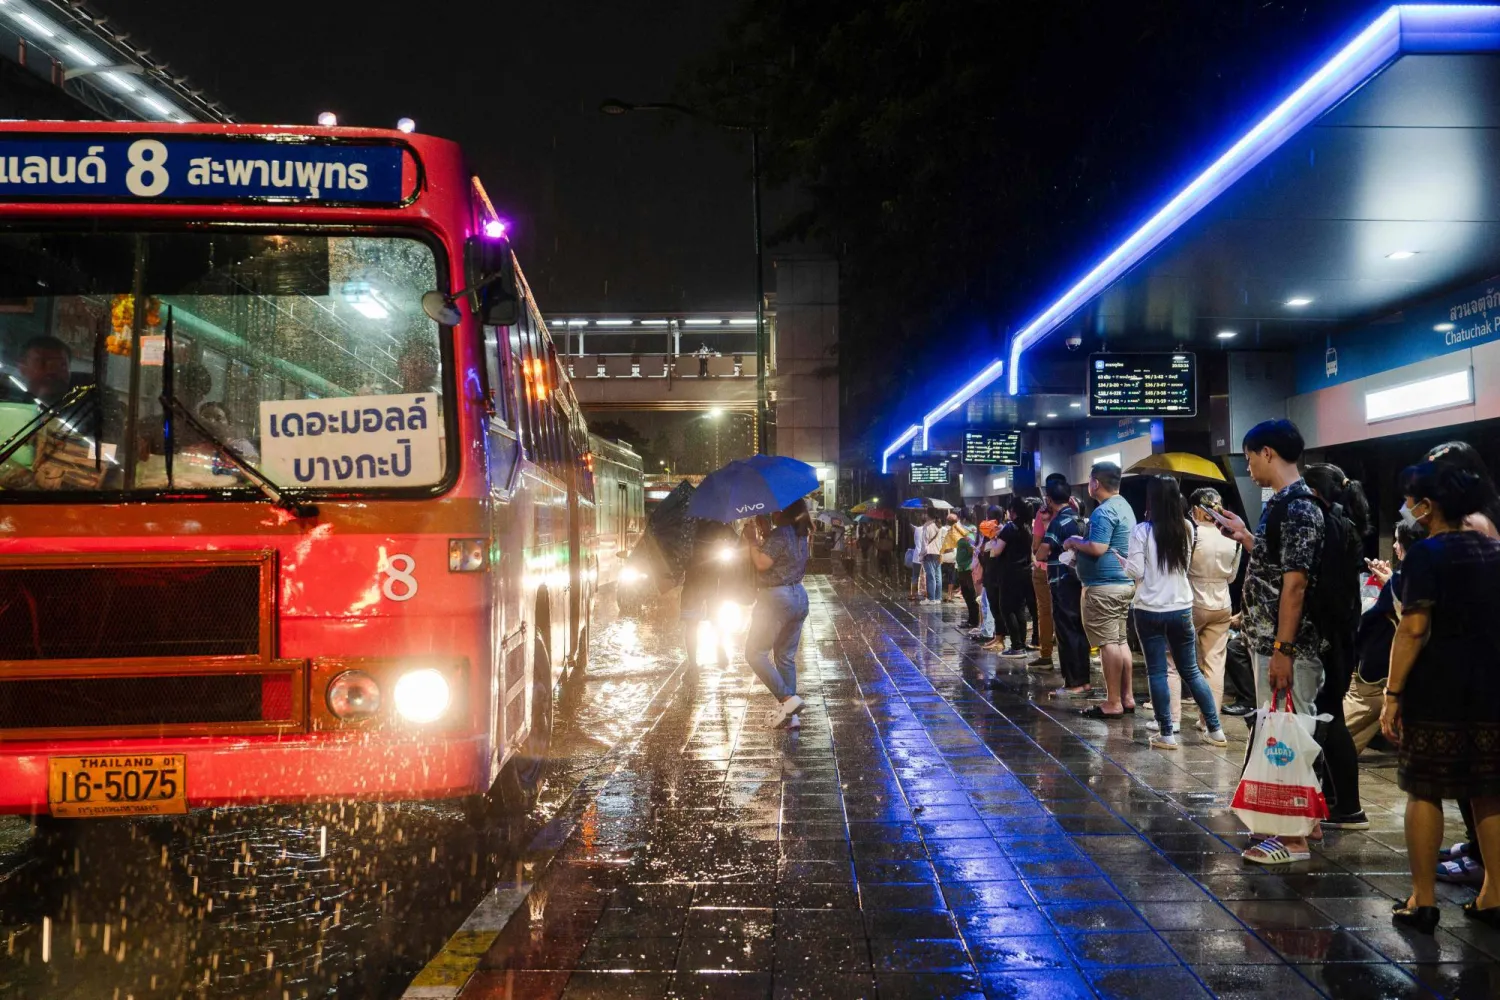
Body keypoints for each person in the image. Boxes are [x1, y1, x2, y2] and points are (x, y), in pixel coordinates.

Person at [1381, 459, 1500, 934]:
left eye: (1412, 500)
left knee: (1425, 789)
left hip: (1438, 688)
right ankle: (1493, 895)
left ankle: (1423, 900)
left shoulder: (1426, 555)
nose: (1408, 508)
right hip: (1492, 685)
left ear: (1428, 506)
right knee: (1489, 789)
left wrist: (1392, 694)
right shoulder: (1494, 551)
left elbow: (1413, 629)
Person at [1213, 419, 1324, 865]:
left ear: (1268, 453)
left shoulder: (1298, 507)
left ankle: (1292, 839)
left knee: (1287, 736)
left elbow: (1295, 586)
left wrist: (1282, 649)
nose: (1250, 466)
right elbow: (1281, 566)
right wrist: (1245, 536)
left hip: (1286, 648)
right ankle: (1304, 824)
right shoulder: (1283, 505)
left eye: (1250, 456)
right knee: (1287, 731)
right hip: (1271, 642)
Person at [1421, 440, 1500, 890]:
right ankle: (1478, 850)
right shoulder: (1484, 515)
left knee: (1478, 772)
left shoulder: (1472, 523)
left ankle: (1486, 866)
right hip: (1480, 656)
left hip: (1473, 660)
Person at [1120, 475, 1228, 750]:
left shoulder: (1142, 531)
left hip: (1149, 610)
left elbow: (1137, 572)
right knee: (1191, 670)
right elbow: (1186, 565)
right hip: (1181, 607)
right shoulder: (1188, 529)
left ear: (1151, 499)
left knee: (1157, 672)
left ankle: (1167, 733)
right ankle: (1215, 729)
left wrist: (1124, 561)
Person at [1303, 462, 1374, 829]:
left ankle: (1348, 807)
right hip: (1343, 634)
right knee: (1333, 716)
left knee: (1331, 717)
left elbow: (1324, 589)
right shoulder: (1344, 524)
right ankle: (1337, 800)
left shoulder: (1329, 526)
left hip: (1331, 636)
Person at [1063, 461, 1137, 718]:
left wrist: (1074, 541)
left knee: (1108, 644)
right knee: (1120, 641)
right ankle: (1127, 697)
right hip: (1123, 584)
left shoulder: (1103, 512)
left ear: (1095, 482)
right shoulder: (1125, 506)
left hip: (1104, 587)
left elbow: (1097, 547)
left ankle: (1113, 702)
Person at [1347, 521, 1424, 754]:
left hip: (1377, 675)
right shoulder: (1411, 575)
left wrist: (1391, 583)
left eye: (1398, 541)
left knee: (1335, 732)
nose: (1394, 546)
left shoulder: (1408, 579)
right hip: (1387, 672)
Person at [745, 499, 812, 730]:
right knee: (785, 657)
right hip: (798, 596)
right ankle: (791, 717)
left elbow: (762, 563)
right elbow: (785, 557)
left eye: (775, 508)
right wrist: (766, 533)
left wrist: (753, 542)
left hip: (776, 598)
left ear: (785, 511)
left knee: (755, 653)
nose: (771, 511)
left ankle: (788, 699)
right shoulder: (801, 533)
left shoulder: (782, 533)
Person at [1187, 487, 1243, 730]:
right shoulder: (1232, 536)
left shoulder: (1193, 533)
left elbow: (1183, 567)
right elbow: (1232, 577)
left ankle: (1172, 716)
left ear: (1198, 509)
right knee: (1215, 663)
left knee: (1179, 661)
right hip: (1222, 603)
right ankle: (1210, 720)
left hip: (1192, 600)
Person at [1038, 475, 1090, 696]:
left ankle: (1074, 683)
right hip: (1080, 581)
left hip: (1062, 583)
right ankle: (1083, 680)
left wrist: (1044, 523)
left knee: (1066, 632)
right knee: (1079, 630)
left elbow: (1042, 551)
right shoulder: (1081, 520)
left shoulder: (1058, 523)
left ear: (1049, 500)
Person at [681, 520, 738, 669]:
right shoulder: (718, 523)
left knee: (711, 620)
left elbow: (734, 543)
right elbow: (735, 542)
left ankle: (701, 658)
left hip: (704, 583)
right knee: (698, 622)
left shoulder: (690, 523)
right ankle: (694, 660)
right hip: (700, 583)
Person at [991, 496, 1034, 657]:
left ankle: (1016, 646)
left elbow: (996, 550)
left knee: (1007, 608)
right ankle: (1021, 644)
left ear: (1013, 511)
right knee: (1019, 609)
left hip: (1009, 573)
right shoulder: (1027, 527)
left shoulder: (1010, 528)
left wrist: (994, 538)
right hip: (1024, 572)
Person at [1030, 495, 1057, 668]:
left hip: (1044, 568)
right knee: (1067, 612)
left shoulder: (1043, 513)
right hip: (1068, 568)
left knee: (1045, 612)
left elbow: (1036, 546)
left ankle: (1046, 655)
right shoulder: (1073, 509)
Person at [979, 509, 1008, 650]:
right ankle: (997, 636)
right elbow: (983, 549)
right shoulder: (987, 530)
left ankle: (1000, 638)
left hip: (996, 575)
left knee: (997, 607)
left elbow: (995, 551)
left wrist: (992, 536)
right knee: (992, 606)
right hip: (989, 573)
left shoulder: (1002, 531)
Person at [954, 512, 981, 631]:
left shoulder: (970, 532)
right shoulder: (963, 531)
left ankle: (974, 621)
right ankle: (971, 619)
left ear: (964, 519)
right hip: (962, 567)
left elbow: (973, 550)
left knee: (971, 595)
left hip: (968, 567)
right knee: (966, 594)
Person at [919, 507, 945, 606]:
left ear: (928, 514)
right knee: (938, 576)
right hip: (938, 553)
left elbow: (924, 543)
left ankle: (931, 598)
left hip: (929, 553)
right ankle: (938, 598)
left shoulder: (927, 526)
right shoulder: (939, 525)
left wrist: (922, 555)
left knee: (930, 576)